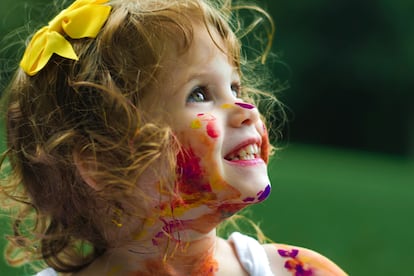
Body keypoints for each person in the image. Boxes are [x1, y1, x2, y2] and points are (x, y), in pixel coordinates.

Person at [0, 0, 347, 275]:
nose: (245, 107)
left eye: (235, 86)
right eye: (199, 93)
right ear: (103, 162)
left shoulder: (295, 271)